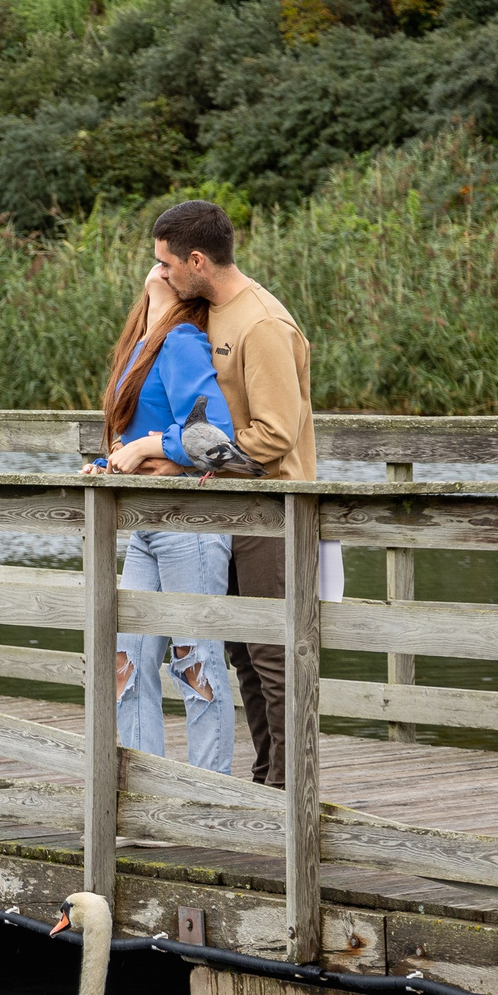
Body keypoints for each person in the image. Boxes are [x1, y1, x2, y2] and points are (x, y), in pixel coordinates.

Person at [142, 199, 317, 788]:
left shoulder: (261, 324)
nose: (160, 273)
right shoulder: (205, 314)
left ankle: (291, 791)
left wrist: (174, 454)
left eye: (166, 264)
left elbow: (275, 435)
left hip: (270, 511)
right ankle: (265, 779)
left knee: (274, 655)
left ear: (197, 260)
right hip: (224, 509)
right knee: (241, 653)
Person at [86, 261, 238, 774]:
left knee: (196, 663)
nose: (156, 266)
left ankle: (208, 797)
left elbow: (213, 430)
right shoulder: (143, 345)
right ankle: (147, 793)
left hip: (188, 524)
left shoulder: (182, 341)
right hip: (146, 523)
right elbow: (140, 431)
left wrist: (153, 447)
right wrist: (111, 461)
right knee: (125, 662)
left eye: (165, 261)